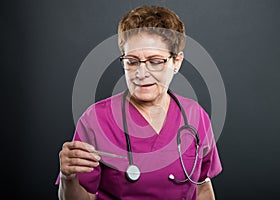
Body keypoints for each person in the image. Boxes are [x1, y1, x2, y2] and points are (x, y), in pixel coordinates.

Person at [56, 5, 222, 200]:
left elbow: (202, 187)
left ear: (176, 62)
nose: (141, 74)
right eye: (132, 61)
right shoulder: (96, 119)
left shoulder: (196, 116)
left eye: (155, 61)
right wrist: (68, 177)